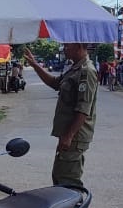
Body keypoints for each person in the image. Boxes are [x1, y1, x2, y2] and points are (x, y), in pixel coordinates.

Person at [22, 43, 99, 190]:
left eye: (67, 46)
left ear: (78, 46)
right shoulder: (74, 68)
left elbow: (83, 109)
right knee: (59, 177)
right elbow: (54, 83)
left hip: (75, 137)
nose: (64, 48)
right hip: (68, 135)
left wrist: (69, 135)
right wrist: (34, 64)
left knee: (68, 182)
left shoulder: (87, 71)